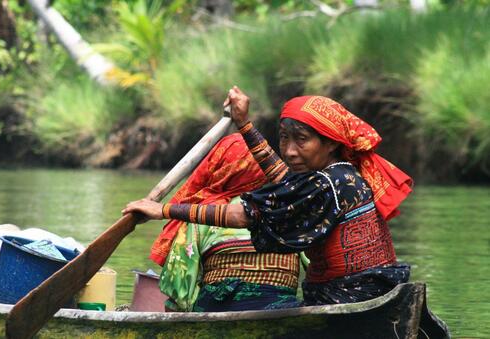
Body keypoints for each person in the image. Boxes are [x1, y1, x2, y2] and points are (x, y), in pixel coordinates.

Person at [123, 86, 413, 306]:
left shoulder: (328, 183)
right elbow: (286, 181)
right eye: (284, 138)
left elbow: (245, 215)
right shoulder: (342, 175)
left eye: (301, 140)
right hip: (371, 290)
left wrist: (164, 210)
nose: (288, 151)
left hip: (346, 297)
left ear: (331, 145)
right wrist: (244, 124)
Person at [151, 133, 300, 312]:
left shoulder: (198, 214)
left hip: (216, 308)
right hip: (280, 309)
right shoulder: (289, 208)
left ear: (217, 168)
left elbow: (178, 290)